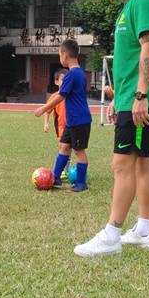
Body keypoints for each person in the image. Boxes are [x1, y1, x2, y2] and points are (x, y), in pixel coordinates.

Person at [74, 0, 149, 257]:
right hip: (129, 98)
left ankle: (111, 235)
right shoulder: (127, 8)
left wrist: (140, 96)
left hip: (140, 100)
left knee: (122, 163)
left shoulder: (142, 0)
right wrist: (120, 97)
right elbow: (128, 59)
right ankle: (144, 230)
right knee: (141, 162)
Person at [34, 40, 92, 192]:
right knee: (64, 147)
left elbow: (61, 96)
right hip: (71, 121)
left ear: (65, 55)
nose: (60, 58)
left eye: (59, 55)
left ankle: (81, 184)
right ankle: (56, 178)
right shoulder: (79, 74)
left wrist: (43, 109)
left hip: (79, 120)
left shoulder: (72, 75)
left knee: (79, 151)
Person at [42, 69, 69, 183]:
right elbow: (47, 111)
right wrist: (46, 123)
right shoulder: (54, 97)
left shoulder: (70, 94)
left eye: (67, 79)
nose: (64, 82)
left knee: (69, 149)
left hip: (72, 125)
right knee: (62, 148)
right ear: (56, 82)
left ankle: (65, 171)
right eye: (62, 79)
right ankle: (60, 171)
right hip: (61, 127)